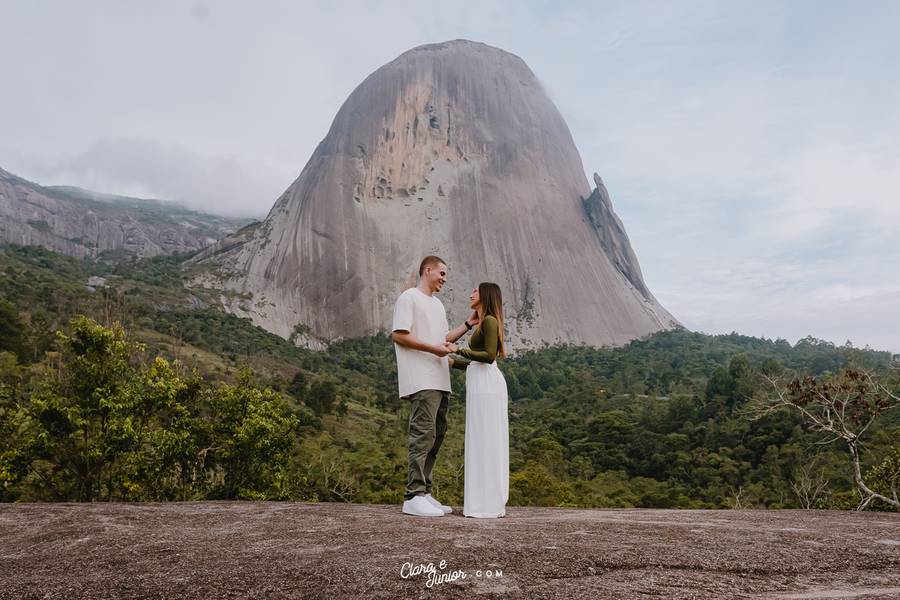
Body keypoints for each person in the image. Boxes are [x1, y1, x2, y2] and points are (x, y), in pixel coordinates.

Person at [391, 255, 456, 517]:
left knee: (437, 435)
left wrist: (468, 325)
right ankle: (412, 495)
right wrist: (435, 350)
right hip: (421, 378)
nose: (444, 279)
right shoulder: (409, 298)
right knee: (422, 435)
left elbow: (442, 338)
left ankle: (425, 492)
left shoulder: (438, 305)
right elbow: (399, 334)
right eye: (441, 273)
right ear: (427, 270)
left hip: (441, 379)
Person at [446, 282, 510, 518]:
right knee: (481, 440)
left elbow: (489, 357)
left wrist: (458, 349)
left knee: (487, 440)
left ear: (484, 295)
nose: (471, 293)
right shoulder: (483, 322)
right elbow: (478, 362)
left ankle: (488, 503)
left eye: (475, 290)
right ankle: (482, 501)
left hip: (487, 388)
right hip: (480, 384)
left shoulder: (491, 320)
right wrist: (454, 362)